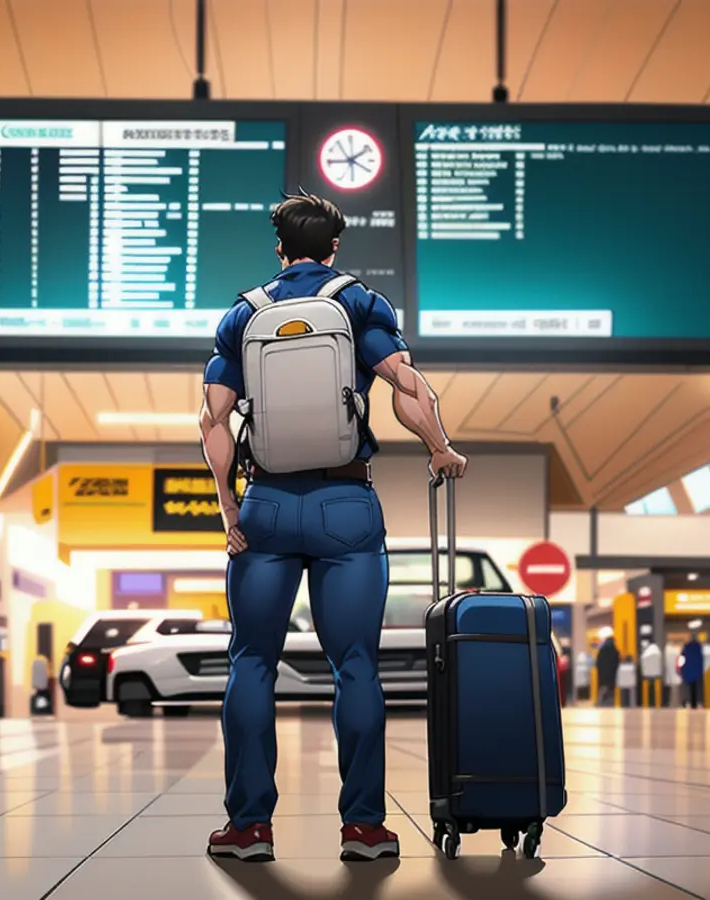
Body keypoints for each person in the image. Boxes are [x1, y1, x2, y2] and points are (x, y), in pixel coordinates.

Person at [200, 190, 467, 863]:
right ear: (334, 246)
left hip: (265, 505)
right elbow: (406, 385)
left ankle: (249, 829)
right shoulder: (358, 302)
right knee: (355, 667)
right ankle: (364, 829)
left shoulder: (244, 314)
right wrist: (439, 445)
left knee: (252, 662)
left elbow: (214, 421)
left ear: (280, 248)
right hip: (346, 505)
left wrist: (231, 512)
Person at [680, 631, 705, 709]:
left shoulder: (686, 647)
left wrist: (681, 669)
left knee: (688, 687)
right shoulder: (699, 647)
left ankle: (688, 702)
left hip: (688, 670)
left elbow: (682, 658)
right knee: (696, 687)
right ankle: (696, 702)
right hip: (697, 671)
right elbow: (701, 659)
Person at [595, 635, 619, 707]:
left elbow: (598, 663)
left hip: (603, 676)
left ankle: (600, 703)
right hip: (612, 676)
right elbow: (617, 662)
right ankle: (609, 704)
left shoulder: (601, 651)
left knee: (603, 690)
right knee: (610, 691)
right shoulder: (615, 651)